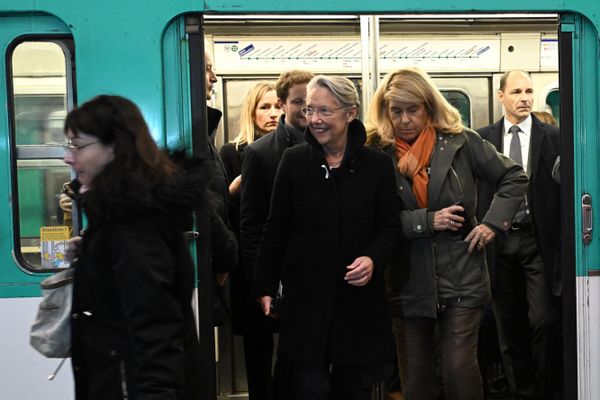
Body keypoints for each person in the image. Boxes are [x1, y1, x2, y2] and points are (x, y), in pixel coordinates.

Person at [366, 67, 528, 400]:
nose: (405, 119)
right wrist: (426, 221)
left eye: (414, 110)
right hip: (406, 279)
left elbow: (513, 177)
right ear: (385, 111)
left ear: (428, 107)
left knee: (458, 369)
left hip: (462, 275)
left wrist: (492, 224)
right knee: (417, 378)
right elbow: (369, 219)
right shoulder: (376, 153)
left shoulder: (460, 141)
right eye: (396, 111)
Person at [253, 75, 400, 400]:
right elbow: (276, 228)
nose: (315, 120)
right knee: (306, 388)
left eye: (324, 111)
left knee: (354, 389)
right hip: (305, 304)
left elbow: (389, 227)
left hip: (358, 306)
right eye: (310, 110)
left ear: (350, 113)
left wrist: (373, 258)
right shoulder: (294, 162)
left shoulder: (377, 166)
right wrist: (264, 285)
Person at [63, 95, 206, 400]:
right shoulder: (121, 213)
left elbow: (156, 327)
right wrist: (93, 253)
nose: (68, 157)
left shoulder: (133, 221)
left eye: (77, 145)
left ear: (114, 147)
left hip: (132, 386)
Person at [477, 70, 561, 400]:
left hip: (536, 238)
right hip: (499, 240)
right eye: (516, 92)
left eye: (528, 91)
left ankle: (543, 389)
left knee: (542, 320)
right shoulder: (482, 138)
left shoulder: (553, 136)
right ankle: (519, 391)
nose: (524, 97)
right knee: (507, 324)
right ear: (501, 96)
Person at [237, 70, 313, 399]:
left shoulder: (330, 145)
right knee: (262, 355)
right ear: (284, 104)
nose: (308, 110)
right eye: (299, 103)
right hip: (273, 270)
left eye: (314, 103)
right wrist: (262, 283)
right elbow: (251, 224)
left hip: (312, 271)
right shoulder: (260, 152)